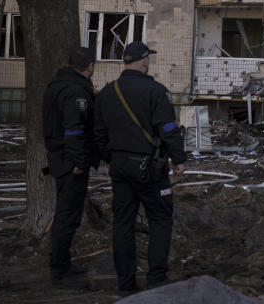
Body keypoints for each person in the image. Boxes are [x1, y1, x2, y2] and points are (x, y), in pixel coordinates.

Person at [94, 41, 186, 294]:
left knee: (122, 223)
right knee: (160, 219)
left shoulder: (107, 92)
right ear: (145, 61)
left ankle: (126, 284)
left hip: (119, 167)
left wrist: (110, 157)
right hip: (150, 168)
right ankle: (156, 279)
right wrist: (179, 159)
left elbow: (98, 132)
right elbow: (168, 129)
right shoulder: (155, 91)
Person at [42, 46, 99, 286]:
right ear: (90, 66)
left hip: (61, 158)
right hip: (70, 162)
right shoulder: (75, 91)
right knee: (67, 216)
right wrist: (79, 162)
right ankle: (60, 270)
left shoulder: (57, 86)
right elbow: (74, 129)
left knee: (67, 215)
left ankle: (62, 263)